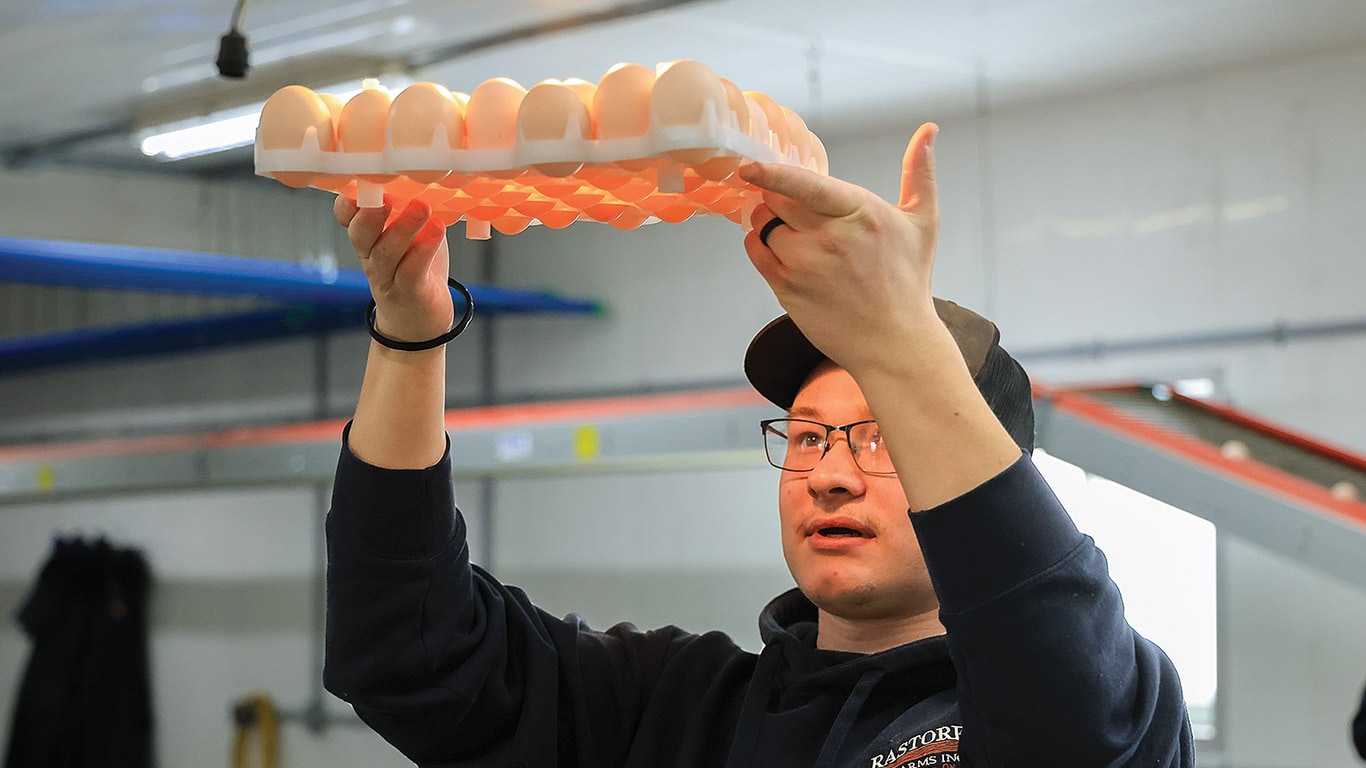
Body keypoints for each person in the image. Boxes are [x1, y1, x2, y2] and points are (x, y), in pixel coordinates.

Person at [323, 123, 1194, 766]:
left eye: (882, 440)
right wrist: (409, 335)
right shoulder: (674, 708)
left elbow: (1063, 670)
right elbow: (410, 652)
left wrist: (902, 340)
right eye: (809, 437)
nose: (829, 476)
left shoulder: (1106, 708)